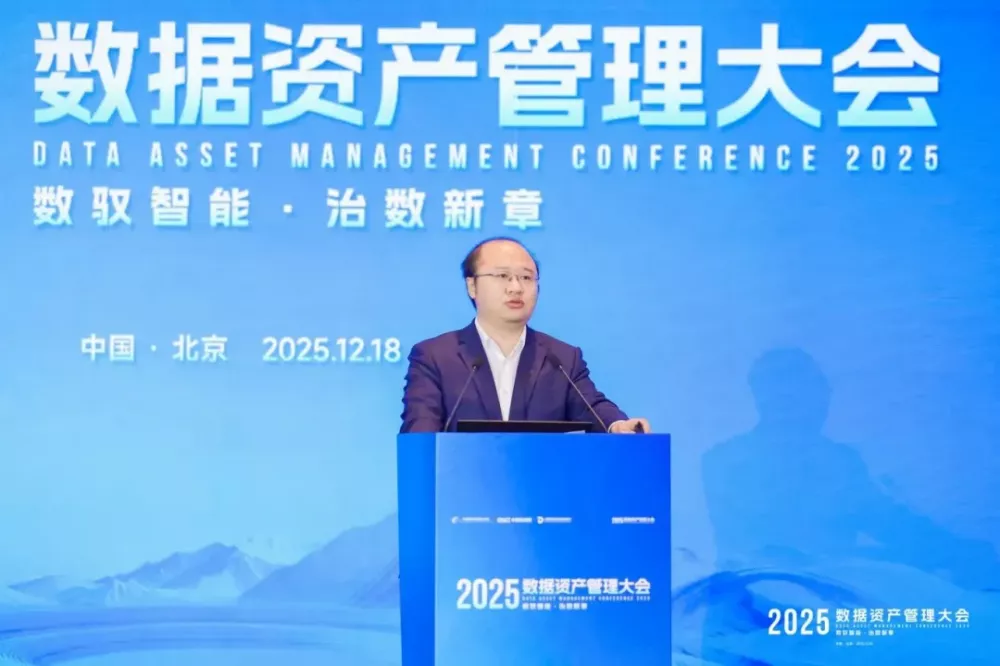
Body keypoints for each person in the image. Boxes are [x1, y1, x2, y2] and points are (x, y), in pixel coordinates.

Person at [400, 237, 651, 434]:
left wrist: (618, 425)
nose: (516, 287)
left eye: (526, 277)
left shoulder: (561, 358)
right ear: (472, 286)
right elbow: (420, 429)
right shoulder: (435, 357)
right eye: (502, 276)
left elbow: (592, 407)